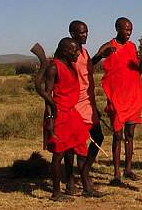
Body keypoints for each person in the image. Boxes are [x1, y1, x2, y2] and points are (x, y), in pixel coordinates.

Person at [94, 17, 142, 185]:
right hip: (116, 98)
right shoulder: (109, 46)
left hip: (133, 96)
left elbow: (138, 71)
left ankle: (128, 169)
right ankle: (116, 173)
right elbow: (92, 62)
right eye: (126, 29)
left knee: (130, 134)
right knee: (117, 135)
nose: (129, 33)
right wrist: (102, 55)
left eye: (131, 30)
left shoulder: (132, 47)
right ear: (117, 29)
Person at [42, 38, 94, 201]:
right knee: (58, 154)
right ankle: (56, 193)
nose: (78, 54)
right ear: (65, 51)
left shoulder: (71, 66)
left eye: (78, 50)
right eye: (74, 51)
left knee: (82, 148)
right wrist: (50, 118)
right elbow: (47, 94)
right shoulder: (53, 67)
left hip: (72, 114)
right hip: (59, 115)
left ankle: (86, 186)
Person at [65, 20, 104, 196]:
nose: (85, 35)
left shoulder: (85, 51)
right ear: (72, 34)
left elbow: (87, 71)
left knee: (98, 136)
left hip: (88, 101)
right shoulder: (70, 54)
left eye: (87, 32)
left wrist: (99, 56)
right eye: (81, 33)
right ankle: (73, 181)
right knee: (73, 144)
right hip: (75, 103)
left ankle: (84, 171)